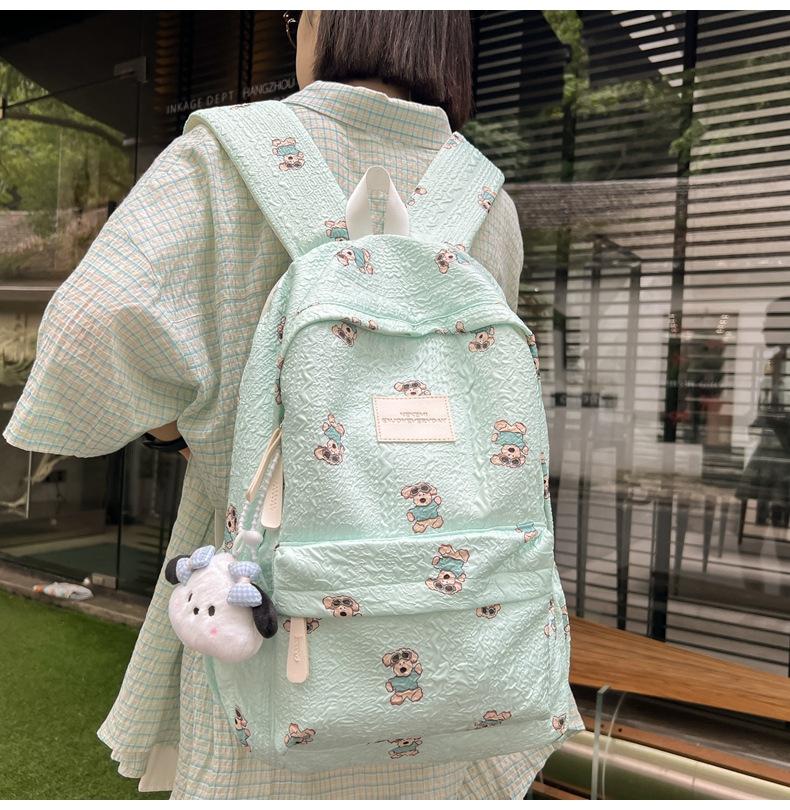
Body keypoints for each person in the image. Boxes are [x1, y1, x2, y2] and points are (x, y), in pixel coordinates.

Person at [3, 10, 540, 800]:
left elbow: (86, 335)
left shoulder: (225, 158)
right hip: (456, 628)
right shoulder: (487, 199)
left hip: (270, 615)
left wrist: (180, 432)